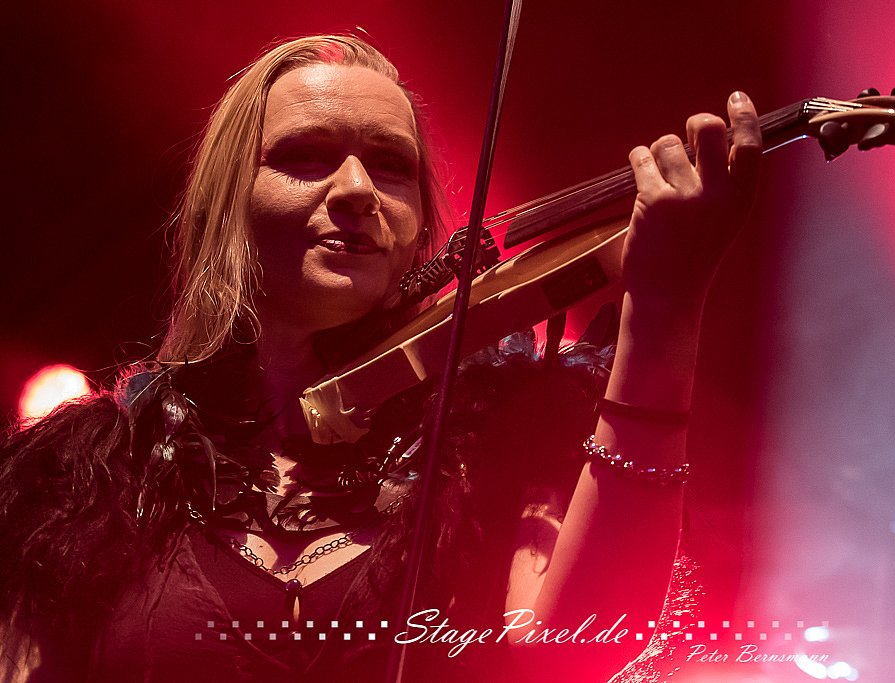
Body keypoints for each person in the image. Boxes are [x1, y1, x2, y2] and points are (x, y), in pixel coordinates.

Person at [0, 34, 761, 682]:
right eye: (306, 155)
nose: (357, 189)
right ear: (226, 205)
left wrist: (664, 313)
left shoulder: (503, 432)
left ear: (422, 222)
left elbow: (583, 645)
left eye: (391, 165)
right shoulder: (90, 473)